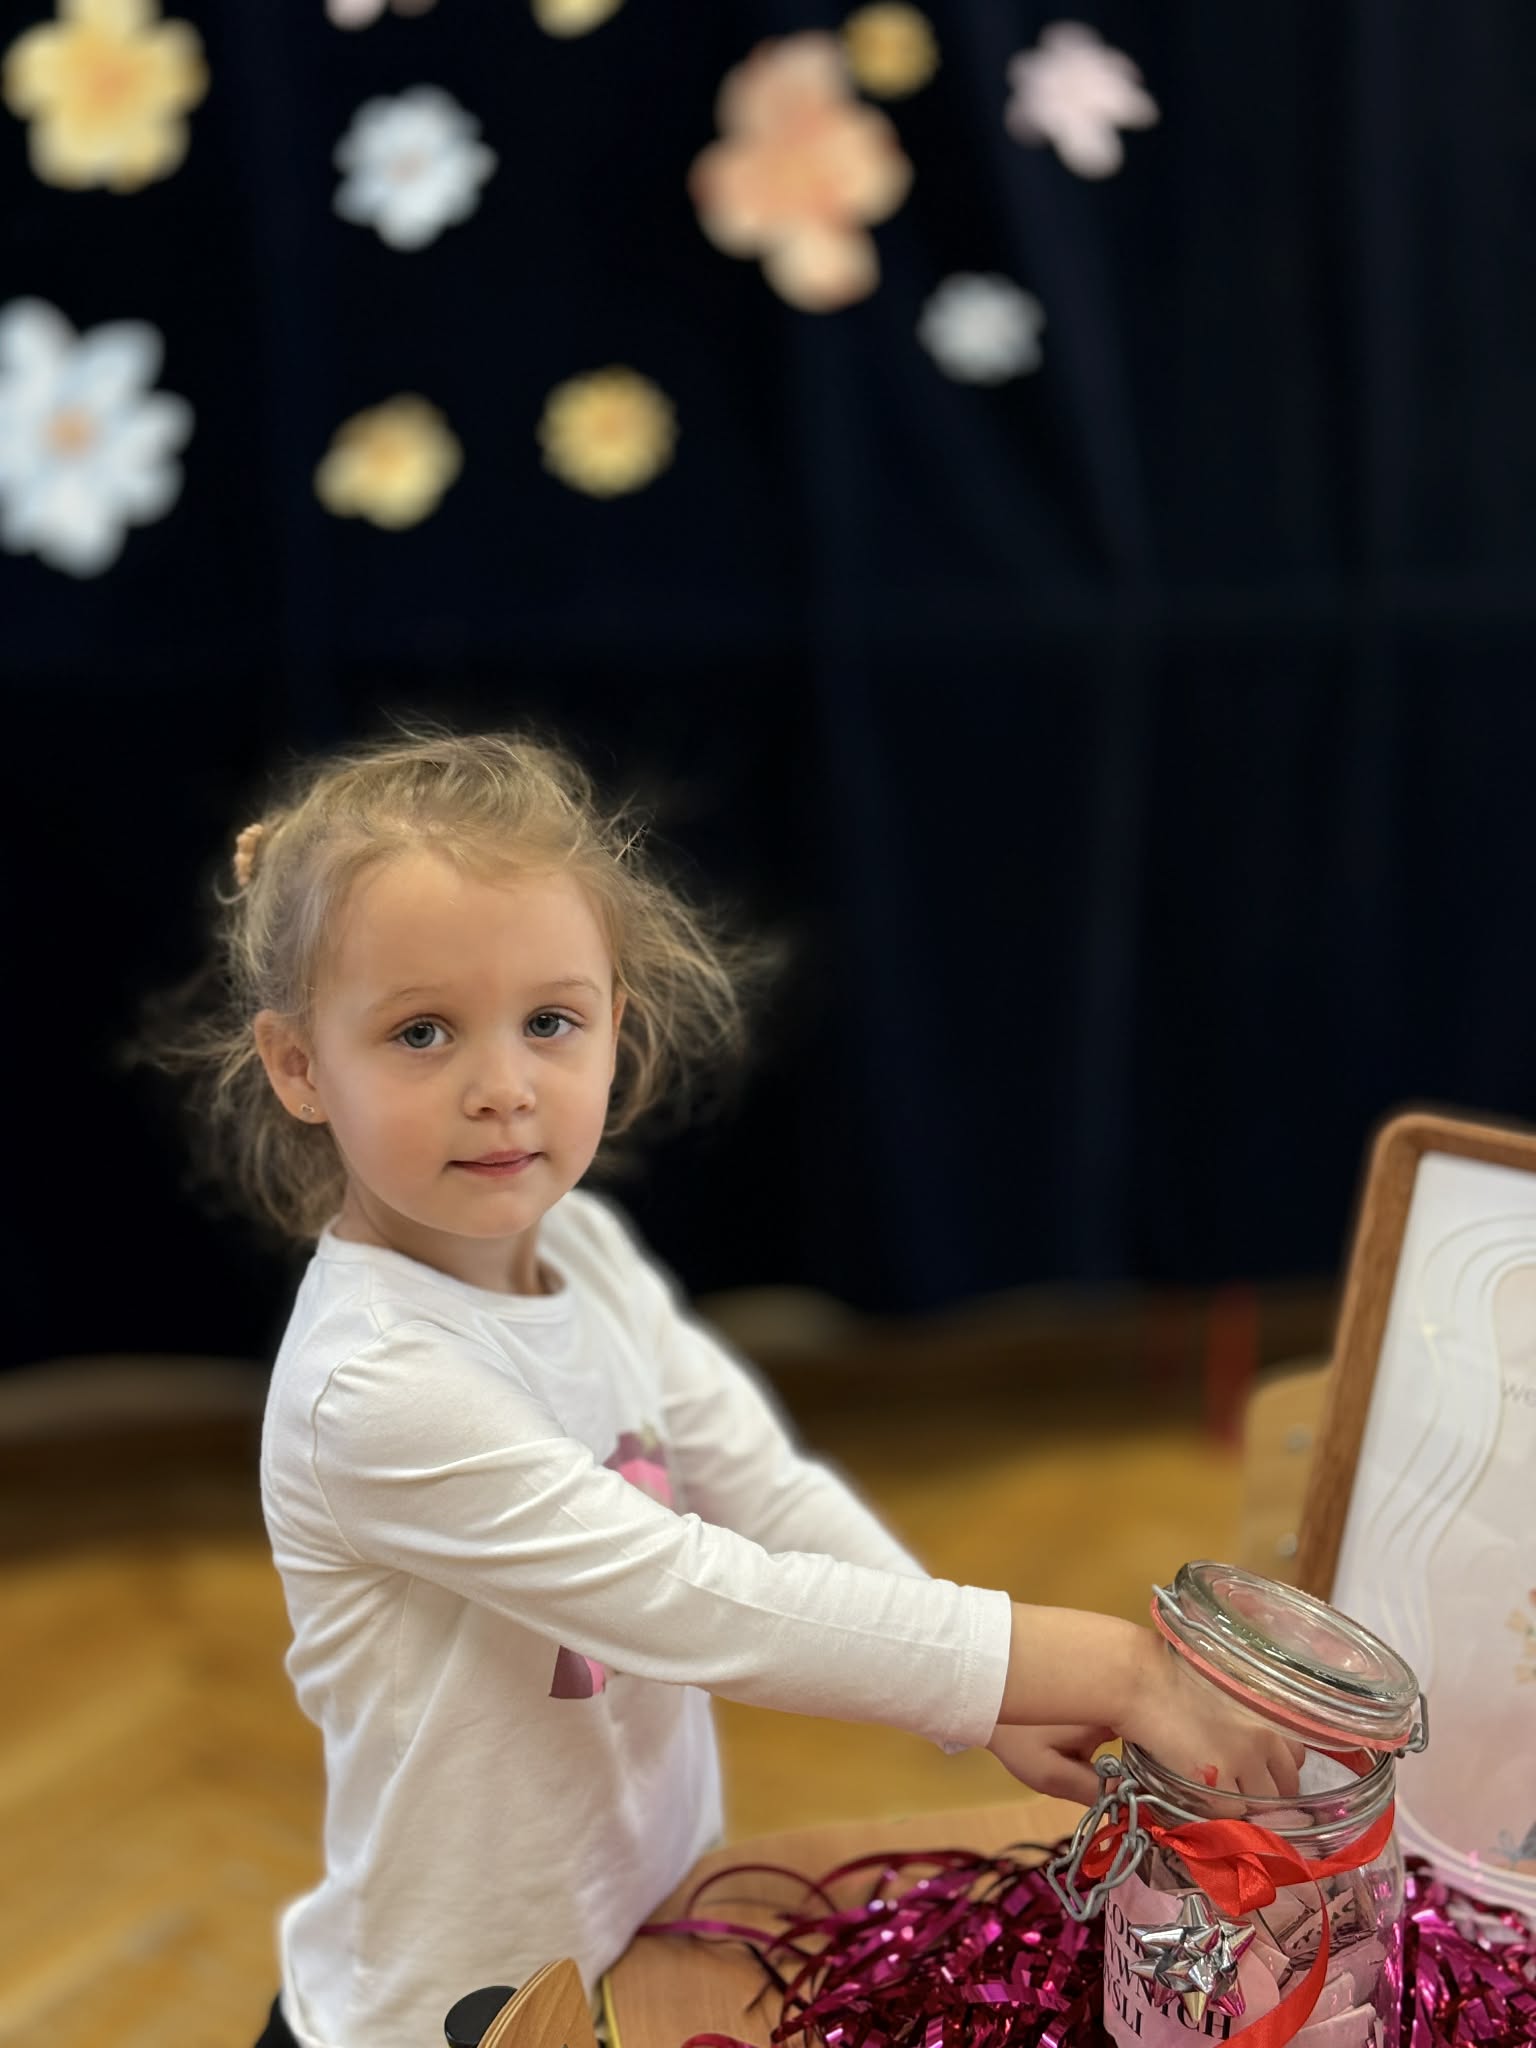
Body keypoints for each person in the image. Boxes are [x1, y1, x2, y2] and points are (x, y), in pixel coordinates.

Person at [138, 725, 1301, 2048]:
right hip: (447, 2013)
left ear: (616, 1027)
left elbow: (760, 1489)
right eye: (421, 1032)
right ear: (300, 1066)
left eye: (550, 1022)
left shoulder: (583, 1247)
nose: (502, 1088)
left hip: (633, 1934)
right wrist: (1110, 1664)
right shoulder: (374, 1385)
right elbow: (694, 1597)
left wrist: (995, 1698)